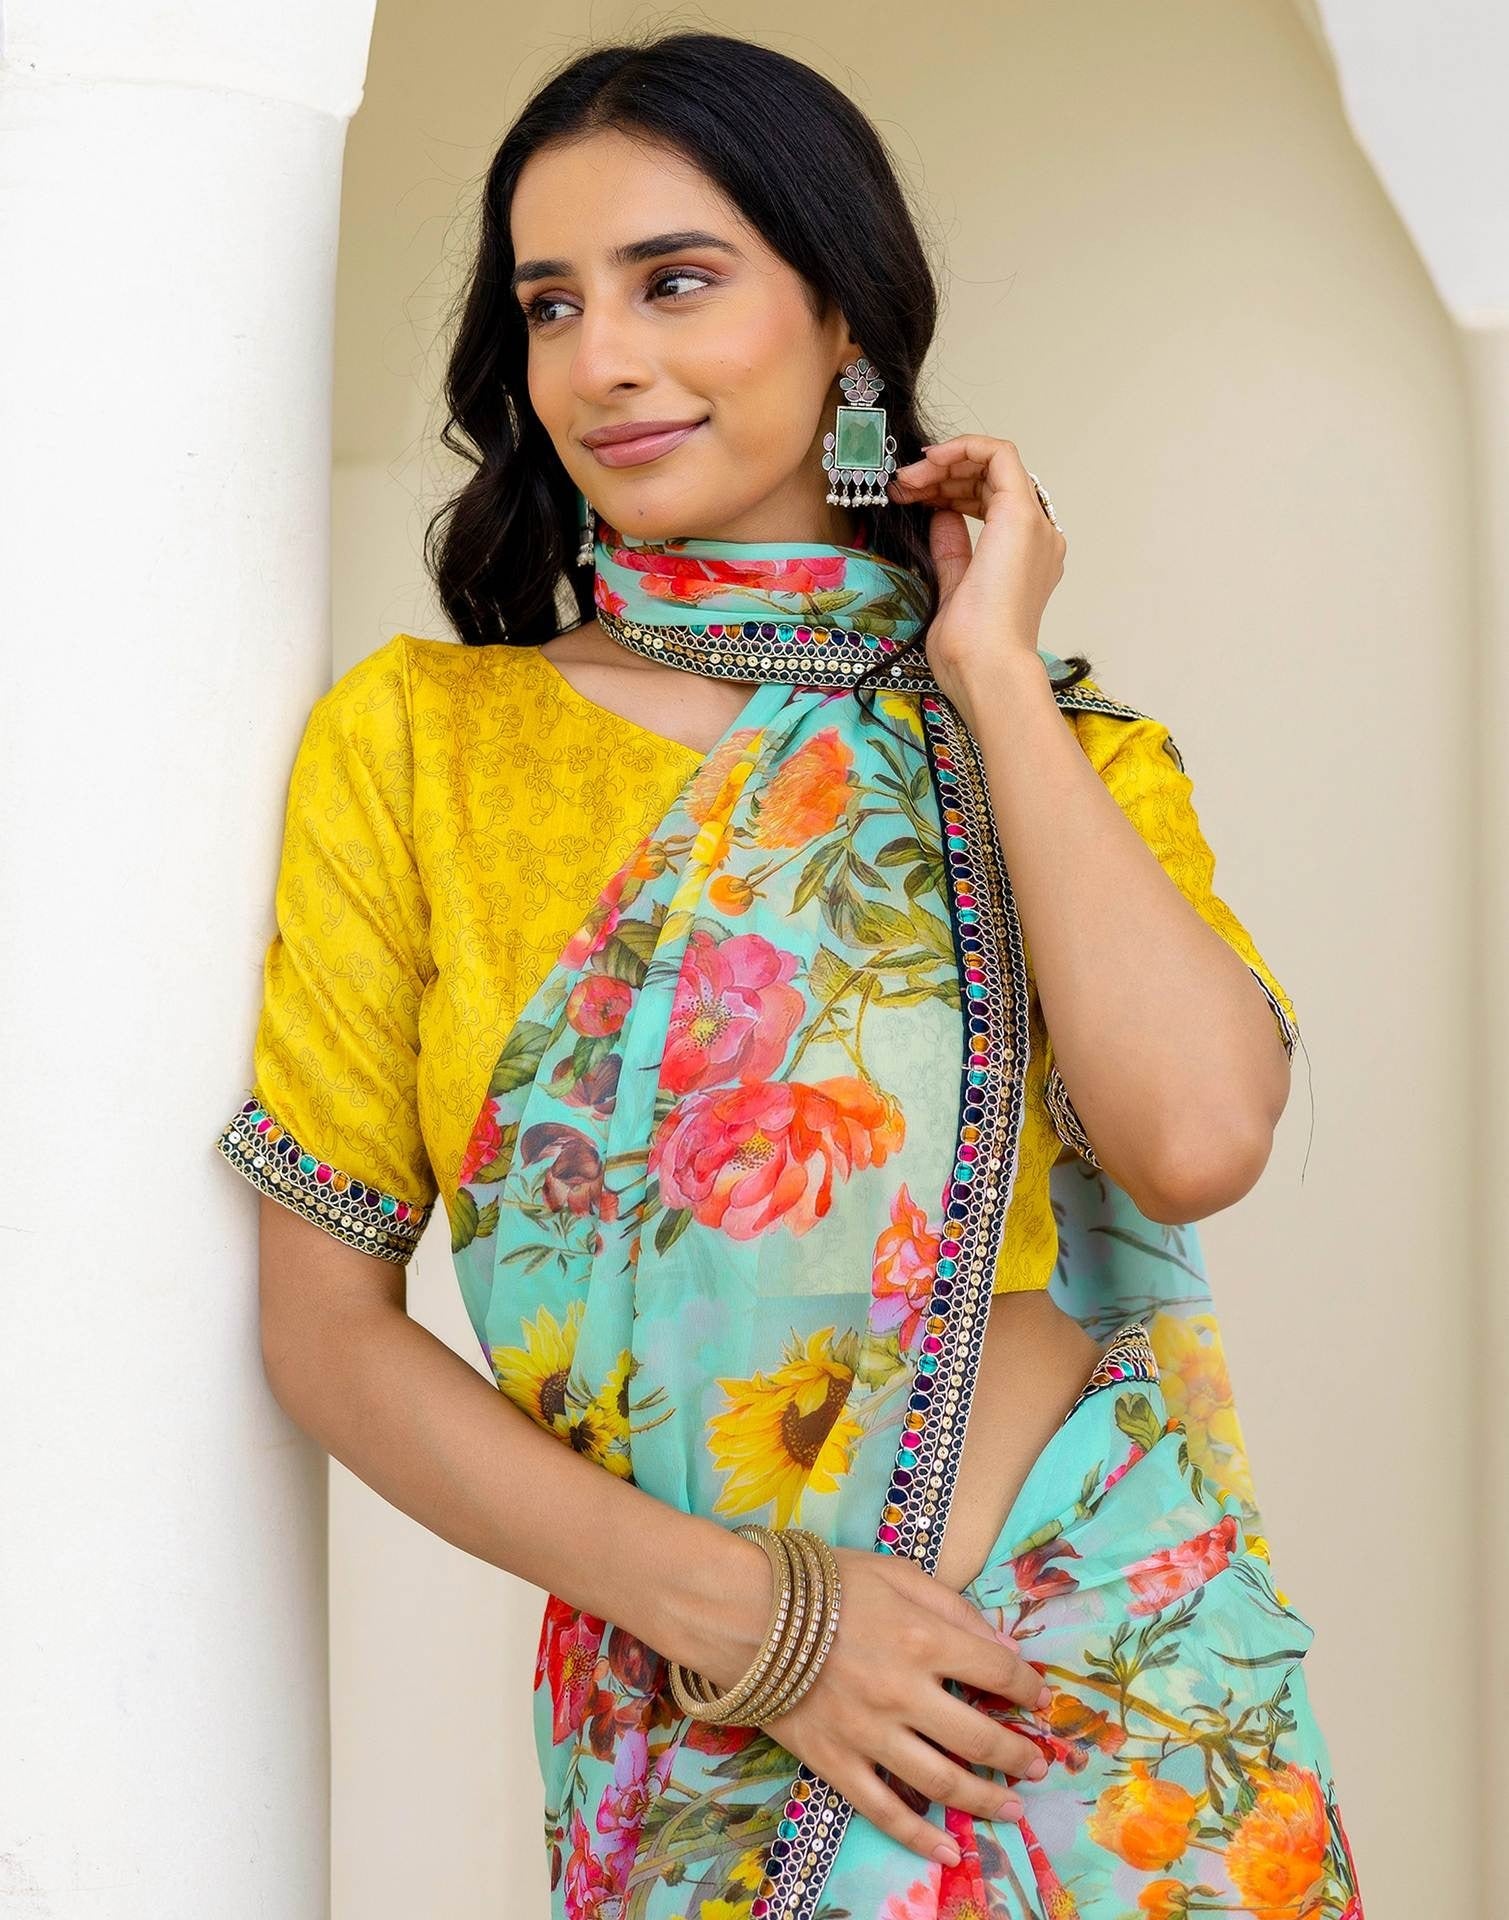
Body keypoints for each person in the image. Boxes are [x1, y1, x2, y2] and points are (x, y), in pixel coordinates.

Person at [214, 28, 1365, 1920]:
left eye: (674, 280)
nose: (601, 359)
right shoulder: (430, 746)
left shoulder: (1067, 749)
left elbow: (1195, 1137)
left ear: (844, 317)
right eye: (550, 305)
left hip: (1120, 1708)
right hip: (716, 1711)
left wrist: (987, 671)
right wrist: (759, 1622)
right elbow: (321, 1329)